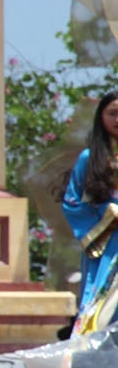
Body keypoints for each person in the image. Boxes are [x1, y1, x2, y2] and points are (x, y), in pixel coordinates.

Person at [61, 91, 118, 337]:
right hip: (106, 242)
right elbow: (72, 202)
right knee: (102, 304)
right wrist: (108, 214)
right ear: (101, 117)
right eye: (112, 113)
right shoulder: (89, 158)